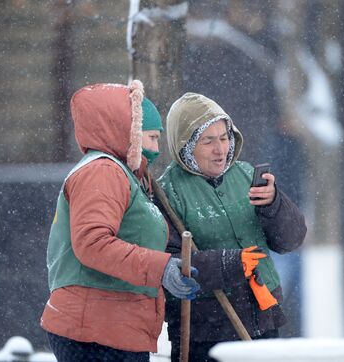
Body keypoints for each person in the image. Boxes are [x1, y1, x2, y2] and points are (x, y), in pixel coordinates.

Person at [40, 81, 200, 362]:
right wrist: (160, 269)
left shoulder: (125, 175)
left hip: (113, 325)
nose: (156, 147)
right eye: (149, 136)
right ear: (125, 130)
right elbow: (92, 243)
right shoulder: (102, 171)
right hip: (95, 330)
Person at [157, 92, 307, 362]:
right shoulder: (168, 193)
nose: (221, 149)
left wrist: (273, 204)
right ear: (185, 145)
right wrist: (227, 265)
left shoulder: (247, 175)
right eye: (208, 141)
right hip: (205, 330)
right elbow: (166, 266)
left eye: (224, 138)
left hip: (262, 317)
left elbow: (292, 239)